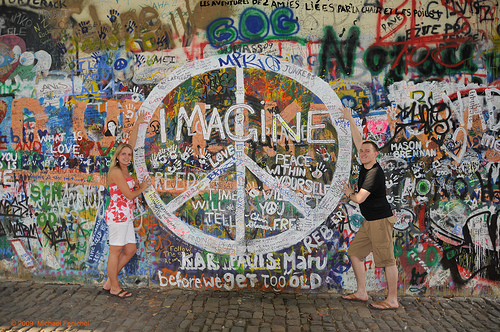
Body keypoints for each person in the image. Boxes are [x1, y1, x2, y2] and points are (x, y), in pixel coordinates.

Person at [339, 106, 399, 310]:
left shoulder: (374, 173)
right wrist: (349, 119)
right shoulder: (365, 163)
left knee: (387, 260)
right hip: (370, 221)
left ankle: (392, 300)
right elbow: (358, 141)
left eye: (367, 151)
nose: (363, 153)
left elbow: (359, 198)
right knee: (355, 253)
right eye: (362, 151)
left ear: (376, 154)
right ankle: (362, 292)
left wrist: (349, 193)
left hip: (380, 221)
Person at [102, 112, 150, 298]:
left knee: (130, 250)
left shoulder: (125, 169)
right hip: (118, 216)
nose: (127, 157)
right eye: (124, 154)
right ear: (117, 156)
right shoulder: (115, 171)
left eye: (129, 155)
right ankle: (114, 287)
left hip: (126, 216)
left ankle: (110, 280)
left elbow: (131, 142)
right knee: (115, 251)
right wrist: (142, 187)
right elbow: (129, 195)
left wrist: (138, 122)